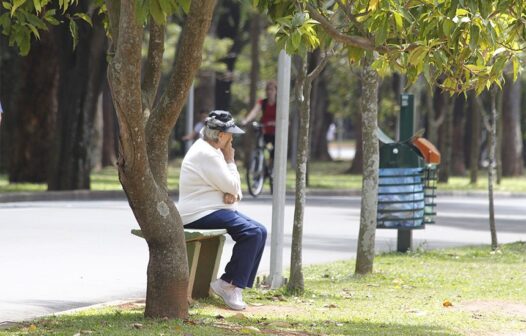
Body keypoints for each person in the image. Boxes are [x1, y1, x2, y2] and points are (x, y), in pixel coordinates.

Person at [178, 110, 267, 311]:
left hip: (213, 208)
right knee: (251, 233)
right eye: (230, 134)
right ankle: (229, 284)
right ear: (220, 135)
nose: (232, 138)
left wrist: (232, 194)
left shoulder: (211, 150)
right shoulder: (207, 154)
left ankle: (231, 284)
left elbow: (234, 189)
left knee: (260, 231)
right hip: (197, 214)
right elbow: (233, 185)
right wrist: (230, 161)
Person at [242, 80, 277, 162]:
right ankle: (259, 165)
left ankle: (270, 167)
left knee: (272, 151)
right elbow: (254, 111)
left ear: (276, 91)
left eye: (272, 89)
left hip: (274, 133)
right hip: (264, 130)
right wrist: (246, 120)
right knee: (261, 148)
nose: (269, 92)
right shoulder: (263, 102)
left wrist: (275, 123)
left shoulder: (279, 103)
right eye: (268, 89)